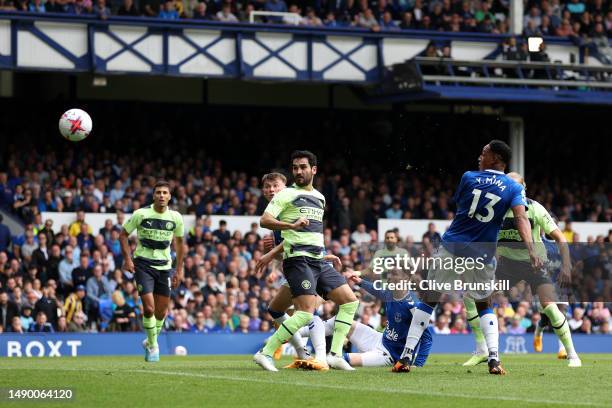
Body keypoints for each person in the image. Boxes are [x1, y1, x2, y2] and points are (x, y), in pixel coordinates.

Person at [394, 140, 541, 376]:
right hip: (482, 253)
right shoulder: (513, 187)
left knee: (430, 298)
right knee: (484, 303)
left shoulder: (469, 177)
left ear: (495, 158)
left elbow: (462, 206)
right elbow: (522, 219)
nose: (479, 156)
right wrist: (532, 250)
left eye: (484, 153)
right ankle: (494, 359)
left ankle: (405, 356)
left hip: (452, 246)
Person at [253, 151, 359, 372]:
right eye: (295, 167)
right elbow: (265, 220)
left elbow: (312, 232)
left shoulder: (320, 197)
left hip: (318, 260)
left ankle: (334, 355)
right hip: (298, 260)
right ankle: (265, 353)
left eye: (302, 167)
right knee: (305, 313)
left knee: (350, 301)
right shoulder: (286, 194)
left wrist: (323, 252)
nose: (298, 171)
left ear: (314, 169)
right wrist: (290, 227)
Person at [464, 173, 581, 367]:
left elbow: (560, 238)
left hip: (534, 264)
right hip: (507, 265)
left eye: (515, 186)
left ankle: (572, 354)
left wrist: (566, 267)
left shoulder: (535, 209)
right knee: (471, 297)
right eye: (507, 186)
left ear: (523, 188)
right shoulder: (495, 210)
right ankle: (482, 350)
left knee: (549, 307)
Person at [300, 268, 433, 368]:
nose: (390, 278)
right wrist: (360, 282)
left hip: (389, 355)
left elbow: (426, 337)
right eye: (390, 274)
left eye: (395, 275)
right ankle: (299, 334)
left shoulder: (414, 306)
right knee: (340, 321)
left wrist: (418, 364)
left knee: (339, 360)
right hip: (379, 339)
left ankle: (320, 360)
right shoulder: (390, 294)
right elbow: (377, 290)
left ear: (406, 279)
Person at [120, 180, 185, 362]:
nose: (162, 195)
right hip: (143, 265)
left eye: (165, 192)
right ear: (153, 196)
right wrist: (127, 259)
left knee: (161, 313)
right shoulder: (141, 214)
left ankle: (149, 340)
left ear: (170, 196)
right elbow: (123, 234)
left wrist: (179, 270)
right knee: (149, 308)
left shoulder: (176, 217)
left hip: (165, 267)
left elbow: (180, 245)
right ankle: (154, 345)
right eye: (158, 193)